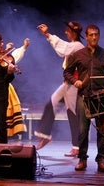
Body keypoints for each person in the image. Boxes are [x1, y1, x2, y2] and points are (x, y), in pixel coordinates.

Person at [64, 24, 104, 172]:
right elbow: (67, 72)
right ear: (87, 36)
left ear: (99, 36)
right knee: (83, 130)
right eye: (91, 35)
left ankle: (101, 160)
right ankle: (82, 159)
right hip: (84, 96)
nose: (94, 37)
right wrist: (75, 81)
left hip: (101, 96)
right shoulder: (78, 54)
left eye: (96, 34)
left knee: (102, 131)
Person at [34, 21, 85, 157]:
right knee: (51, 104)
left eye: (67, 31)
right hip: (67, 83)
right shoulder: (73, 45)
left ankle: (77, 147)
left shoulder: (77, 45)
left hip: (73, 84)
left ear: (73, 32)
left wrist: (47, 34)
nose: (65, 32)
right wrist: (47, 35)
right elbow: (63, 47)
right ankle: (45, 135)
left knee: (72, 113)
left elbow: (62, 49)